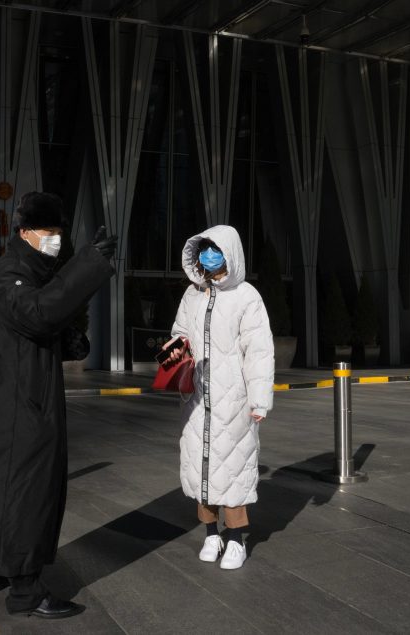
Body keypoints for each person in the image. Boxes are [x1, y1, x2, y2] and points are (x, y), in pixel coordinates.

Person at [0, 192, 117, 619]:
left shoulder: (24, 274)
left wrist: (67, 339)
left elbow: (29, 333)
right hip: (19, 410)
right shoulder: (11, 277)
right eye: (49, 232)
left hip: (13, 405)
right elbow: (37, 314)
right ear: (24, 232)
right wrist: (88, 265)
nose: (56, 240)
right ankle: (26, 592)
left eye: (59, 233)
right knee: (26, 497)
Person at [163, 225, 274, 570]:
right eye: (203, 250)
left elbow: (258, 351)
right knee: (202, 468)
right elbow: (179, 334)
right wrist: (174, 362)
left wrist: (259, 399)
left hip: (233, 400)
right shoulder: (192, 294)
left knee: (233, 469)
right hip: (197, 399)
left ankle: (236, 539)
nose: (207, 256)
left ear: (230, 252)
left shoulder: (246, 297)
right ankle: (211, 532)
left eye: (214, 249)